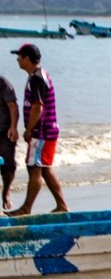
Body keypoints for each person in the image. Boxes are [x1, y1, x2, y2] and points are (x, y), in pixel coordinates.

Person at [8, 43, 66, 217]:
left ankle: (26, 208)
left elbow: (38, 108)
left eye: (19, 56)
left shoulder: (37, 78)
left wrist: (28, 130)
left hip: (41, 132)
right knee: (44, 168)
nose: (17, 59)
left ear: (27, 59)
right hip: (47, 131)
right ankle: (62, 205)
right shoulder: (39, 75)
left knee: (34, 168)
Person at [0, 73, 16, 211]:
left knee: (8, 165)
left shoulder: (3, 82)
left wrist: (13, 127)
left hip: (5, 131)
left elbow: (12, 106)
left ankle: (5, 193)